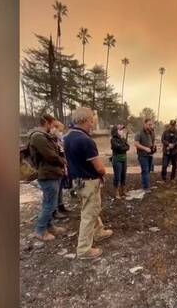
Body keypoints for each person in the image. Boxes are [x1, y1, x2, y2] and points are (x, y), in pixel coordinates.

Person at [64, 107, 113, 260]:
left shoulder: (68, 137)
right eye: (92, 120)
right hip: (89, 182)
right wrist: (103, 173)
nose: (93, 124)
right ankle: (84, 250)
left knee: (91, 208)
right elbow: (99, 167)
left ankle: (98, 232)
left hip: (77, 181)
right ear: (85, 120)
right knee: (88, 214)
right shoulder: (86, 140)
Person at [28, 114, 68, 241]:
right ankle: (40, 230)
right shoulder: (38, 137)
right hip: (47, 174)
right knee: (50, 204)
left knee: (50, 202)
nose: (54, 127)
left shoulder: (45, 136)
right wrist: (64, 161)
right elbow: (50, 156)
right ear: (47, 123)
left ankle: (49, 226)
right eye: (53, 124)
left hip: (52, 173)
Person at [50, 120, 70, 218]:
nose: (61, 132)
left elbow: (63, 151)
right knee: (56, 189)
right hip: (56, 167)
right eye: (59, 130)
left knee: (60, 188)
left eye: (62, 130)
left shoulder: (60, 140)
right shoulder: (50, 140)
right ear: (54, 128)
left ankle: (61, 205)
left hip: (61, 166)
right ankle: (54, 210)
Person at [134, 118, 156, 192]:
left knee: (148, 170)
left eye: (151, 125)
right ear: (144, 124)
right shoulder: (139, 133)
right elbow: (136, 143)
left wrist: (154, 147)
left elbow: (152, 142)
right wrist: (145, 148)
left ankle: (146, 184)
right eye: (149, 124)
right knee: (145, 171)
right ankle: (146, 187)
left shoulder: (152, 133)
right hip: (142, 155)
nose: (150, 126)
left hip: (150, 155)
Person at [110, 124, 130, 199]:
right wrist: (123, 147)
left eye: (122, 130)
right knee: (117, 176)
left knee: (123, 176)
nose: (122, 131)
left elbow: (128, 147)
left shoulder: (123, 139)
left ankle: (123, 191)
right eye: (120, 130)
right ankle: (116, 193)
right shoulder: (113, 139)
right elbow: (120, 148)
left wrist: (123, 147)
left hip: (124, 159)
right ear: (116, 131)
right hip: (117, 159)